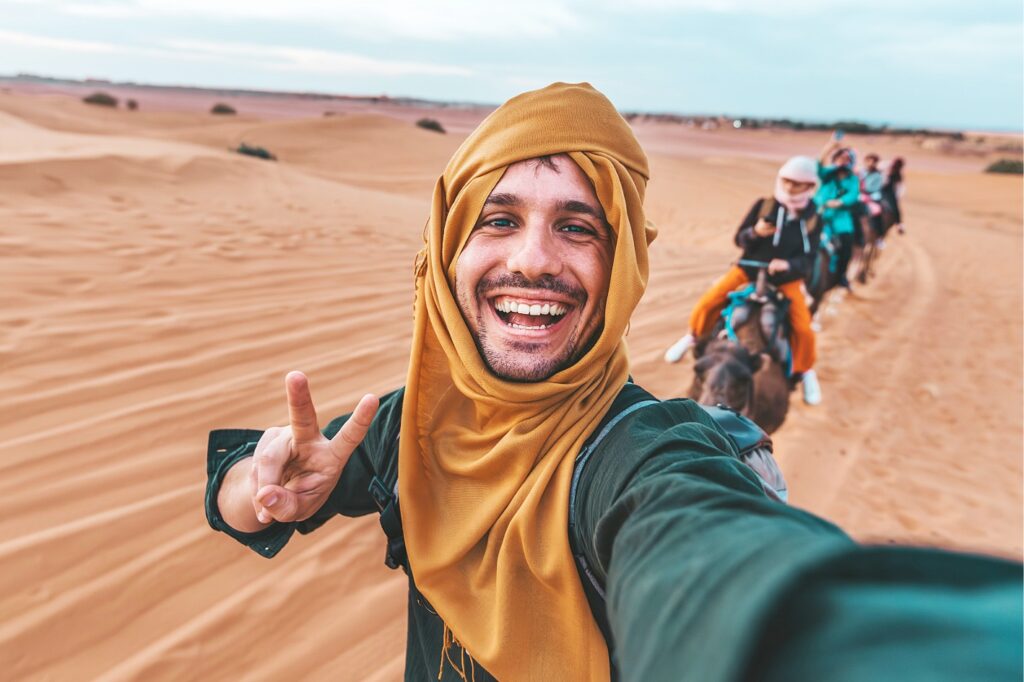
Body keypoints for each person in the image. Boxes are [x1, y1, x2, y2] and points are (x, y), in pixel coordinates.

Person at [205, 84, 1021, 681]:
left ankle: (801, 374)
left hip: (792, 284)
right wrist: (263, 487)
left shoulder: (637, 455)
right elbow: (235, 494)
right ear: (448, 246)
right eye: (498, 219)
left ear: (622, 262)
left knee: (796, 325)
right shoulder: (406, 427)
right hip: (749, 274)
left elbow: (703, 547)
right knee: (714, 311)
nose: (532, 258)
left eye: (578, 227)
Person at [663, 156, 823, 405]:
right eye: (787, 181)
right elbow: (740, 239)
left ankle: (805, 371)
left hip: (786, 280)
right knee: (708, 302)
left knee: (804, 328)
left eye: (798, 184)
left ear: (810, 187)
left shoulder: (814, 219)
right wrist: (755, 233)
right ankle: (692, 337)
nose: (791, 188)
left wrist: (789, 265)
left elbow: (809, 258)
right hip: (748, 269)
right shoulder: (764, 206)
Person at [815, 136, 861, 290]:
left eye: (846, 158)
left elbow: (853, 195)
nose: (843, 160)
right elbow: (819, 165)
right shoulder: (828, 174)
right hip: (818, 213)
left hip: (840, 218)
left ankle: (841, 276)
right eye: (840, 157)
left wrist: (840, 202)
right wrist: (829, 147)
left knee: (846, 245)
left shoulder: (853, 179)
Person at [859, 153, 886, 248]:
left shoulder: (878, 175)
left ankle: (879, 237)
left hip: (872, 198)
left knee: (876, 214)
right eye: (868, 161)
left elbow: (879, 191)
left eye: (872, 161)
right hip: (859, 196)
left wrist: (869, 197)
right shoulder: (861, 172)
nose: (870, 163)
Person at [882, 156, 907, 234]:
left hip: (888, 193)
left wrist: (896, 196)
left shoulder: (898, 175)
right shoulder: (885, 167)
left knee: (894, 206)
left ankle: (899, 224)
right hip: (879, 189)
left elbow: (900, 188)